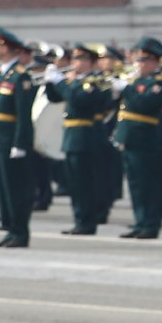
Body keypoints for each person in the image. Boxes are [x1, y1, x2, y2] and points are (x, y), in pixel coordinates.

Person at [0, 28, 40, 248]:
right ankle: (10, 229)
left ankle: (20, 232)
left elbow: (23, 115)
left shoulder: (20, 76)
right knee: (3, 189)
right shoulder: (0, 75)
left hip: (10, 141)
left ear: (6, 48)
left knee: (16, 189)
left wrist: (20, 143)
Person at [114, 40, 162, 238]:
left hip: (147, 138)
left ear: (154, 62)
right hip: (131, 137)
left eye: (143, 60)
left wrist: (126, 89)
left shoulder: (158, 83)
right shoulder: (137, 81)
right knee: (135, 184)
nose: (138, 64)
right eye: (138, 59)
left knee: (149, 182)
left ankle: (151, 223)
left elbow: (144, 104)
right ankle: (140, 221)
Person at [57, 45, 115, 235]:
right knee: (75, 183)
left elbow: (78, 100)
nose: (76, 63)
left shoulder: (95, 81)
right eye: (75, 59)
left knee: (86, 182)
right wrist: (53, 82)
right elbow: (55, 97)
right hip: (72, 136)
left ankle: (88, 221)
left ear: (90, 62)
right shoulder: (74, 81)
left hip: (86, 136)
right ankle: (79, 219)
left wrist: (61, 83)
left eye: (81, 59)